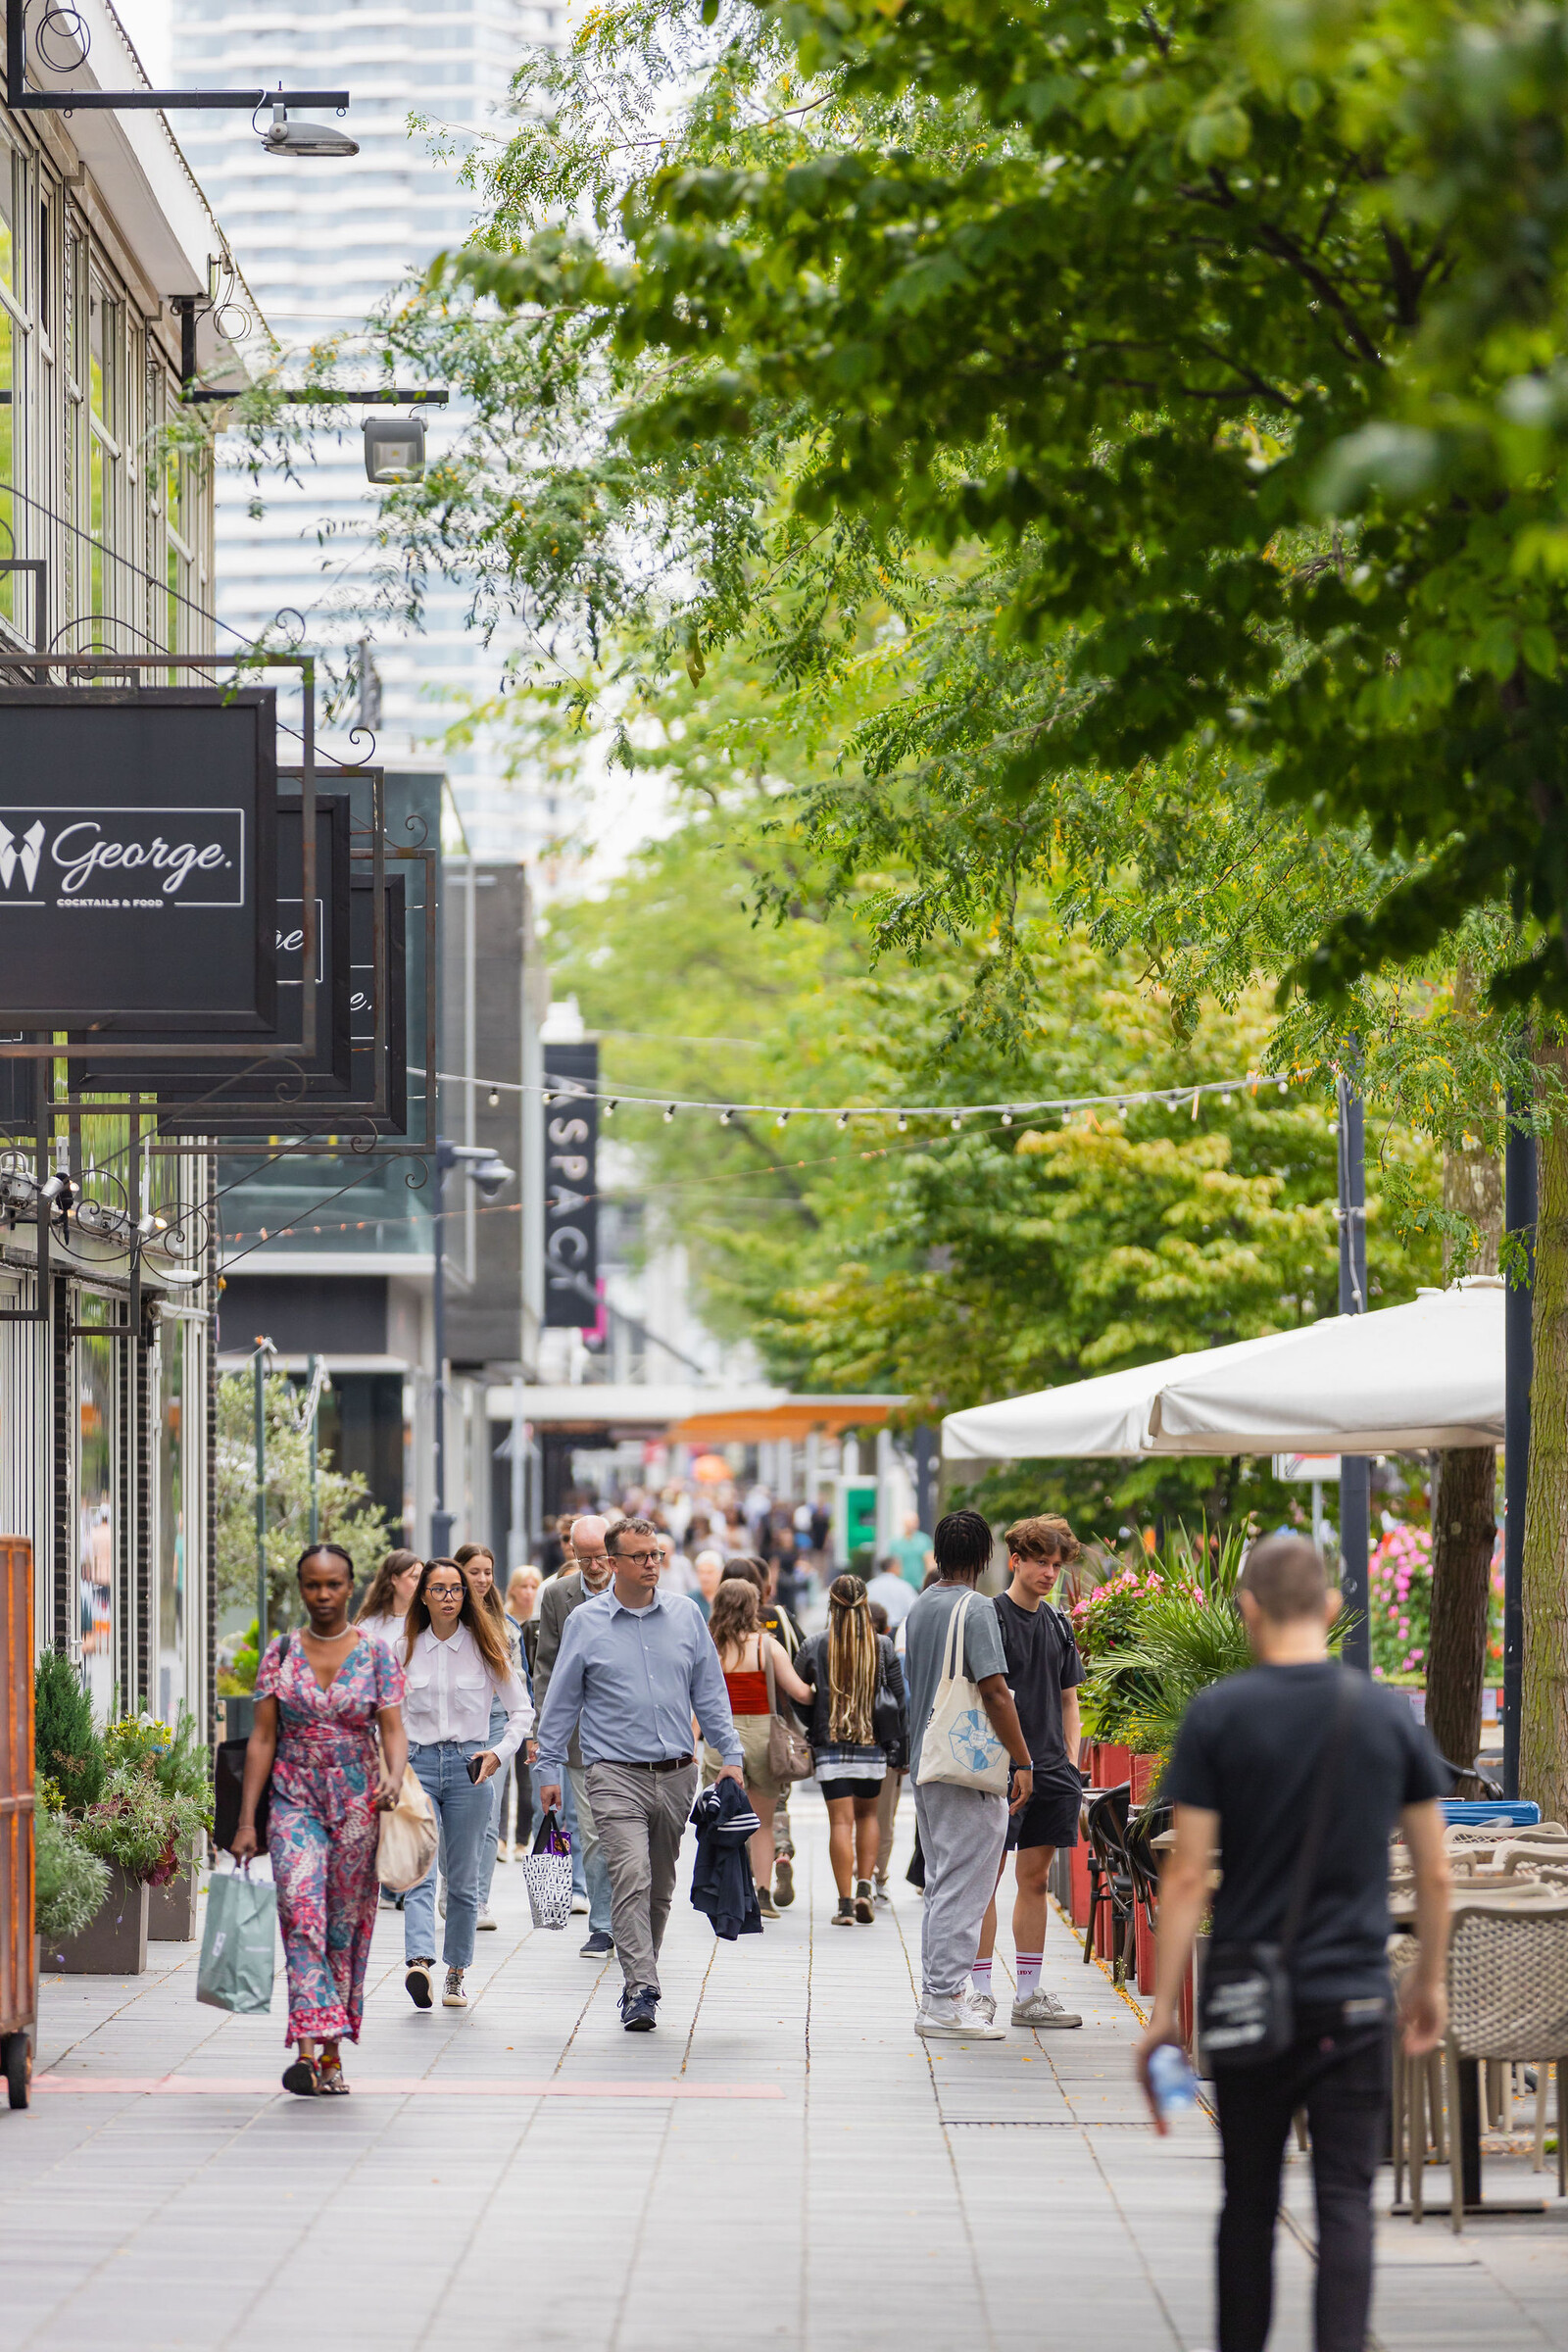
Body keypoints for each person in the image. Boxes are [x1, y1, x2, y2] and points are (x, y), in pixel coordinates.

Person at [1138, 1534, 1451, 2352]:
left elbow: (1186, 1878)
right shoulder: (1386, 1714)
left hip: (1250, 1996)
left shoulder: (1218, 1716)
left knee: (1247, 2199)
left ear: (1246, 1610)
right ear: (1332, 1607)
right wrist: (1430, 1984)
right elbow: (1436, 1873)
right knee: (1347, 2200)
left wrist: (1163, 2015)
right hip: (1353, 1997)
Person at [535, 1515, 744, 2032]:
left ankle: (640, 1969)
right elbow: (560, 1701)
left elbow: (710, 1693)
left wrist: (732, 1755)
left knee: (659, 1883)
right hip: (613, 1774)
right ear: (613, 1563)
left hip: (676, 1773)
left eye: (656, 1555)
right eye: (641, 1556)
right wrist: (548, 1767)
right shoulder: (586, 1622)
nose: (652, 1564)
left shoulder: (687, 1616)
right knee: (630, 1875)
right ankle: (641, 1986)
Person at [232, 1544, 408, 2096]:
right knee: (300, 1911)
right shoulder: (280, 1653)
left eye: (333, 1585)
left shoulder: (377, 1654)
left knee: (342, 1925)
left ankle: (331, 2056)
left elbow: (394, 1729)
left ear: (350, 1587)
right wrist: (245, 1823)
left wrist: (395, 1776)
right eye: (312, 1585)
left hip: (359, 1802)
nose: (323, 1595)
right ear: (302, 1588)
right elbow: (262, 1737)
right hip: (294, 1797)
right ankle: (307, 2051)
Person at [902, 1509, 1034, 2038]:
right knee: (966, 1884)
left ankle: (945, 1991)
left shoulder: (921, 1607)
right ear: (984, 1558)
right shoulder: (975, 1608)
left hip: (927, 1762)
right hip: (967, 1769)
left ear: (937, 1553)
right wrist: (1022, 1760)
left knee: (942, 1882)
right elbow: (995, 1691)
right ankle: (940, 2002)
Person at [401, 1556, 533, 2013]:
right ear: (423, 1595)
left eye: (456, 1590)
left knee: (461, 1882)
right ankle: (419, 1960)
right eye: (438, 1589)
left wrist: (499, 1753)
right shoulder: (405, 1649)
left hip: (469, 1767)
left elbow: (522, 1711)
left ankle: (456, 1972)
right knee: (419, 1872)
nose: (449, 1598)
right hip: (417, 1767)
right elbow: (387, 1717)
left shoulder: (485, 1647)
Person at [971, 1515, 1086, 2029]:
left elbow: (1068, 1699)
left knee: (1034, 1880)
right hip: (997, 1771)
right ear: (1015, 1560)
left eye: (1056, 1565)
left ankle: (1030, 1993)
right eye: (1040, 1561)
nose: (1049, 1573)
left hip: (1051, 1770)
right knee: (985, 1881)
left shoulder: (1058, 1624)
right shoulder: (989, 1618)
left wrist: (1071, 1760)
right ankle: (977, 1991)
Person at [795, 1574, 907, 1926]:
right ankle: (864, 1888)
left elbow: (796, 1692)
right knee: (868, 1817)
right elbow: (900, 1698)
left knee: (840, 1823)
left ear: (832, 1605)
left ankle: (844, 1905)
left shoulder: (814, 1644)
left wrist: (814, 1718)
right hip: (871, 1744)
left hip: (831, 1745)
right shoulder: (882, 1645)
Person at [701, 1574, 813, 1916]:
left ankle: (724, 1891)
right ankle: (762, 1895)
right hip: (764, 1736)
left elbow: (697, 1698)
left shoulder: (710, 1647)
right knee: (762, 1824)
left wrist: (691, 1739)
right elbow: (800, 1692)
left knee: (723, 1820)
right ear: (753, 1607)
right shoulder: (767, 1646)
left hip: (721, 1738)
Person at [533, 1513, 617, 1954]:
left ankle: (634, 1914)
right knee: (594, 1829)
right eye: (583, 1558)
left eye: (600, 1555)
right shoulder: (558, 1596)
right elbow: (546, 1666)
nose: (593, 1565)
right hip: (581, 1739)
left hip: (631, 1733)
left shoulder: (636, 1589)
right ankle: (603, 1923)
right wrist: (541, 1732)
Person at [455, 1544, 519, 1928]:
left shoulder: (505, 1626)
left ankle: (477, 1900)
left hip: (496, 1722)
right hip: (456, 1725)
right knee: (452, 1815)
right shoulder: (440, 1621)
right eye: (474, 1571)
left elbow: (521, 1683)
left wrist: (529, 1735)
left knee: (489, 1813)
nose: (481, 1579)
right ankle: (454, 1883)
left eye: (488, 1572)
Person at [354, 1546, 423, 1649]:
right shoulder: (369, 1625)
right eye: (414, 1577)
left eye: (422, 1579)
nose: (419, 1584)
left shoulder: (426, 1620)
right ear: (394, 1579)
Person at [864, 1552, 916, 1630]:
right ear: (894, 1567)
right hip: (896, 1629)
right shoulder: (904, 1586)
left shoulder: (870, 1585)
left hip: (873, 1628)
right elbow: (913, 1609)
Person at [889, 1510, 932, 1592]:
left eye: (914, 1522)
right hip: (901, 1585)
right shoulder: (895, 1543)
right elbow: (892, 1565)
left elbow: (929, 1563)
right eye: (908, 1522)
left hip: (919, 1585)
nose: (911, 1525)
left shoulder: (924, 1540)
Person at [692, 1547, 724, 1622]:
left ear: (720, 1573)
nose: (704, 1577)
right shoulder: (690, 1599)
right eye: (701, 1572)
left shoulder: (727, 1598)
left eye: (710, 1572)